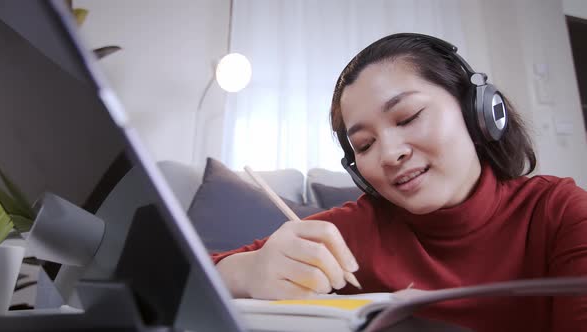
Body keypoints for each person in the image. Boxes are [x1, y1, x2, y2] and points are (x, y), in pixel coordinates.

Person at [211, 33, 587, 332]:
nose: (389, 154)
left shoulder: (561, 213)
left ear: (477, 111)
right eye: (365, 144)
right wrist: (247, 271)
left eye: (407, 117)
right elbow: (180, 272)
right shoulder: (351, 232)